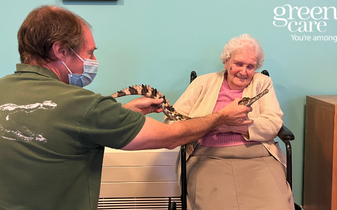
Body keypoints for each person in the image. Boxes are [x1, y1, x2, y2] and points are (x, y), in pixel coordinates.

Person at [0, 6, 252, 210]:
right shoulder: (82, 104)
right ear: (61, 50)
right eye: (89, 54)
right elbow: (171, 136)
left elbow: (65, 128)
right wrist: (221, 117)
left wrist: (126, 112)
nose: (93, 62)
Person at [165, 34, 295, 210]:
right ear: (226, 62)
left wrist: (237, 126)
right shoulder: (202, 83)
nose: (244, 71)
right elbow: (171, 122)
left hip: (257, 157)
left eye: (250, 66)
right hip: (206, 157)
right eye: (239, 64)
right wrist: (209, 124)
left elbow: (273, 123)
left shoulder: (262, 83)